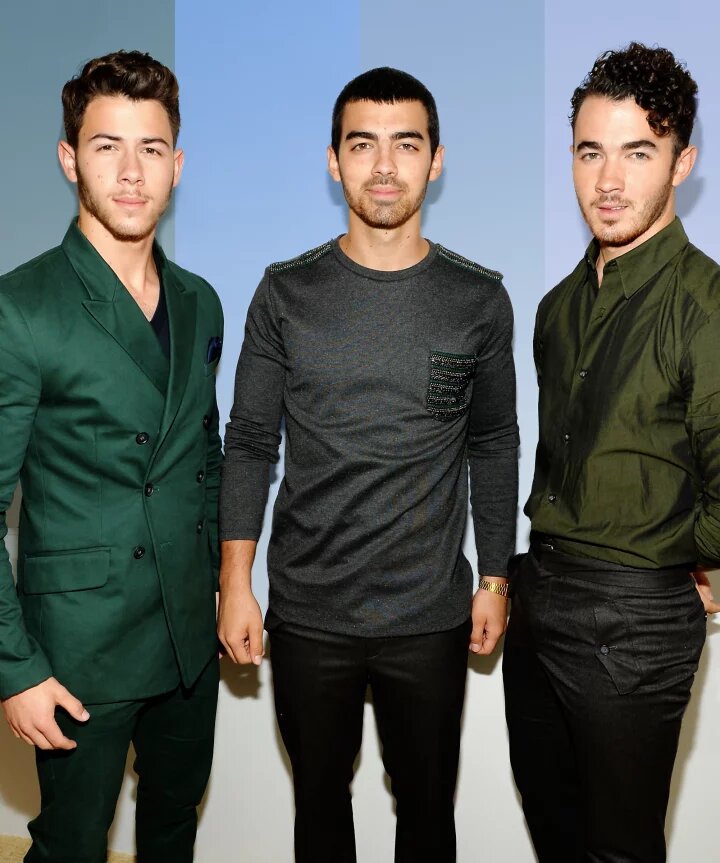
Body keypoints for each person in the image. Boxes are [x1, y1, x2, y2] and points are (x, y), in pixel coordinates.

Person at [218, 66, 518, 863]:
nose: (384, 166)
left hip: (431, 614)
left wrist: (494, 578)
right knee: (319, 810)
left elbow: (494, 441)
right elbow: (249, 441)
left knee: (427, 814)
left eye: (406, 145)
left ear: (436, 160)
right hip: (309, 613)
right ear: (334, 160)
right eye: (363, 145)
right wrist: (235, 582)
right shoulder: (285, 293)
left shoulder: (479, 299)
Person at [0, 50, 223, 863]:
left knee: (173, 828)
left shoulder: (200, 301)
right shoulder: (21, 307)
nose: (132, 173)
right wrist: (15, 669)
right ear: (70, 159)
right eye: (107, 146)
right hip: (77, 650)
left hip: (187, 640)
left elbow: (204, 453)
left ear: (177, 164)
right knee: (70, 846)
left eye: (151, 149)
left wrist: (223, 585)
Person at [503, 42, 720, 863]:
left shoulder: (706, 305)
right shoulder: (558, 307)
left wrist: (671, 563)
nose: (609, 180)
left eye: (639, 153)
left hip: (634, 618)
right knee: (555, 838)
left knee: (620, 852)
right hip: (540, 598)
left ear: (681, 163)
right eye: (591, 152)